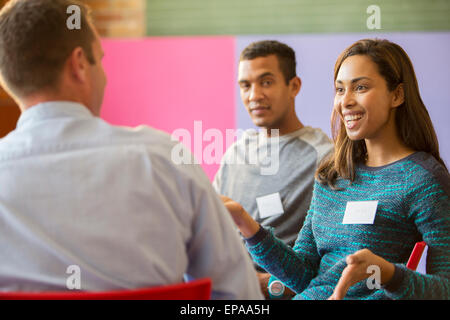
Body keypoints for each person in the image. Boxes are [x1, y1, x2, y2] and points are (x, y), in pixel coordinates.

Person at [0, 0, 263, 299]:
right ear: (79, 65)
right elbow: (240, 297)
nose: (106, 76)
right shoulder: (163, 161)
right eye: (100, 59)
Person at [221, 38, 450, 300]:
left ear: (397, 95)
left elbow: (444, 289)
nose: (346, 101)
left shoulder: (424, 180)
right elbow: (304, 275)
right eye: (340, 90)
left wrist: (387, 273)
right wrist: (248, 225)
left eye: (360, 87)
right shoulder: (332, 175)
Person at [213, 40, 333, 298]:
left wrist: (264, 284)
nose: (254, 95)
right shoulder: (234, 154)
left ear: (294, 86)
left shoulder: (325, 158)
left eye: (266, 82)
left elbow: (332, 263)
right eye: (245, 85)